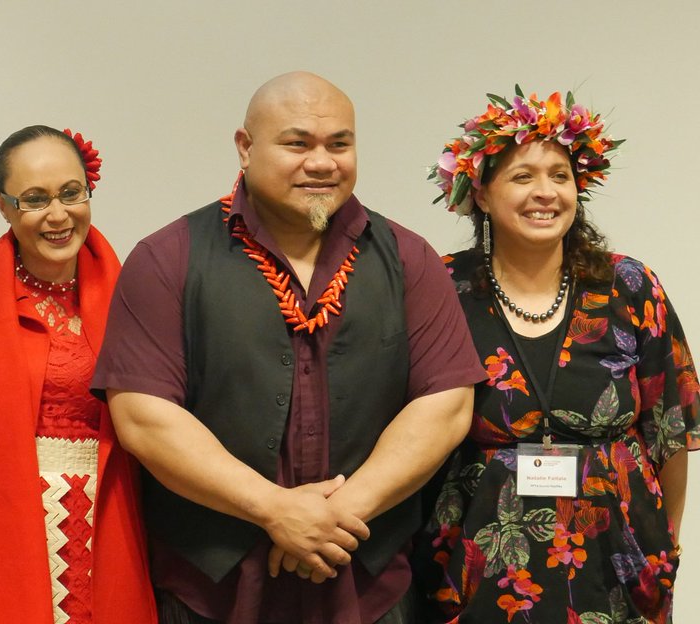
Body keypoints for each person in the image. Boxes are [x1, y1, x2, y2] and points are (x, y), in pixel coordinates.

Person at [92, 71, 487, 623]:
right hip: (212, 595)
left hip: (368, 589)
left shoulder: (409, 258)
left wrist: (335, 518)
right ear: (245, 147)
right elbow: (143, 415)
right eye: (297, 143)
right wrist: (273, 510)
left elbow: (445, 405)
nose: (322, 162)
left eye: (339, 144)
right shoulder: (168, 258)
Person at [421, 88, 699, 623]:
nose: (544, 193)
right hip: (477, 561)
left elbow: (670, 431)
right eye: (522, 177)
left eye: (560, 175)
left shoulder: (628, 285)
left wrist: (665, 548)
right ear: (480, 193)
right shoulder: (442, 286)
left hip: (617, 558)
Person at [0, 125, 156, 623]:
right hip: (3, 522)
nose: (58, 215)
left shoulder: (131, 289)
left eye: (71, 194)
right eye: (34, 199)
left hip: (107, 518)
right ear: (3, 205)